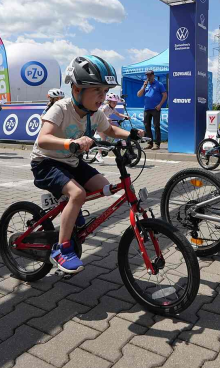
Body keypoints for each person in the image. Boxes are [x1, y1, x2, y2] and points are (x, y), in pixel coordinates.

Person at [30, 56, 143, 274]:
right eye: (97, 90)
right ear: (77, 89)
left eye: (105, 91)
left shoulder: (95, 114)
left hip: (71, 162)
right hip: (45, 162)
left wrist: (131, 135)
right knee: (78, 193)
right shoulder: (61, 108)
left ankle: (71, 210)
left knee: (104, 187)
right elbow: (43, 139)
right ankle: (61, 249)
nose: (103, 96)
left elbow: (109, 130)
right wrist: (70, 143)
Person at [137, 70, 167, 149]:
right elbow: (139, 95)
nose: (148, 77)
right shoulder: (145, 84)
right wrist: (144, 87)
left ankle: (157, 144)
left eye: (150, 75)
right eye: (147, 75)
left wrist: (160, 105)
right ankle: (150, 143)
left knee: (156, 125)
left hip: (155, 108)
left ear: (153, 75)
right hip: (147, 108)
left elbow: (165, 95)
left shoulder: (159, 84)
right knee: (147, 126)